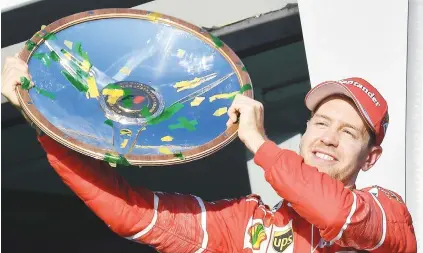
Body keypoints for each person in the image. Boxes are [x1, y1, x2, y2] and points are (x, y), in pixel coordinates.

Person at [1, 55, 417, 253]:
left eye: (349, 132)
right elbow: (129, 212)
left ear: (371, 157)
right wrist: (43, 119)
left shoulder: (389, 215)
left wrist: (259, 144)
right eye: (322, 123)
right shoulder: (250, 224)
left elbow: (335, 214)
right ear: (307, 131)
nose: (328, 138)